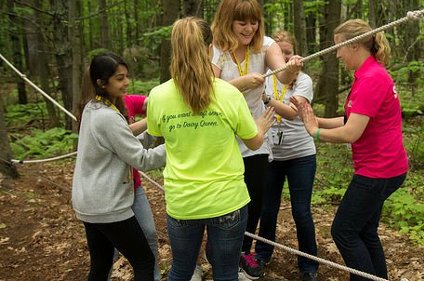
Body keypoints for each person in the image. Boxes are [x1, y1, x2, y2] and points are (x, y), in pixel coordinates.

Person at [146, 17, 274, 281]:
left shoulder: (158, 96)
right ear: (209, 49)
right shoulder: (228, 94)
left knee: (181, 269)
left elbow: (159, 135)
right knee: (226, 272)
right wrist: (261, 126)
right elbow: (254, 143)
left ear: (175, 49)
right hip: (227, 200)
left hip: (183, 201)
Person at [292, 19, 408, 281]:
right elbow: (352, 119)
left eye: (339, 47)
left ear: (354, 45)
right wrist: (314, 119)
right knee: (365, 231)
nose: (337, 53)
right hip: (386, 168)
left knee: (343, 231)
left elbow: (350, 133)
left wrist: (315, 132)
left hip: (379, 171)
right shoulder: (368, 74)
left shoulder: (371, 78)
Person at [211, 0, 302, 279]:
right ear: (228, 22)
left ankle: (243, 252)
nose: (249, 29)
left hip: (256, 131)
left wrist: (291, 68)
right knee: (224, 197)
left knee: (255, 195)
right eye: (241, 23)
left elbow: (282, 75)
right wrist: (239, 82)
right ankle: (218, 250)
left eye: (253, 22)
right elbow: (209, 89)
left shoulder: (267, 45)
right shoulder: (215, 48)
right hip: (221, 133)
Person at [72, 52, 166, 281]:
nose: (126, 83)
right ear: (101, 83)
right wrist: (177, 145)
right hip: (107, 204)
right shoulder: (107, 117)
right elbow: (142, 160)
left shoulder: (92, 108)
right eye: (119, 78)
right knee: (144, 261)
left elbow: (125, 144)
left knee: (102, 263)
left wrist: (154, 130)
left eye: (126, 77)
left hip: (89, 202)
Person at [255, 30, 318, 281]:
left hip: (301, 154)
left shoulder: (304, 81)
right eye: (278, 53)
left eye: (288, 52)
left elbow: (294, 111)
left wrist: (265, 98)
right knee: (266, 209)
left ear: (296, 56)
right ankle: (261, 255)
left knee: (301, 211)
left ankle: (309, 265)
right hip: (270, 154)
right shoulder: (265, 77)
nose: (283, 57)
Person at [107, 94, 162, 281]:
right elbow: (127, 139)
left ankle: (155, 277)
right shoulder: (98, 112)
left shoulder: (128, 100)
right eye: (119, 78)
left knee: (149, 233)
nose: (125, 82)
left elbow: (154, 101)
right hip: (109, 190)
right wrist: (151, 121)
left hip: (133, 184)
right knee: (109, 246)